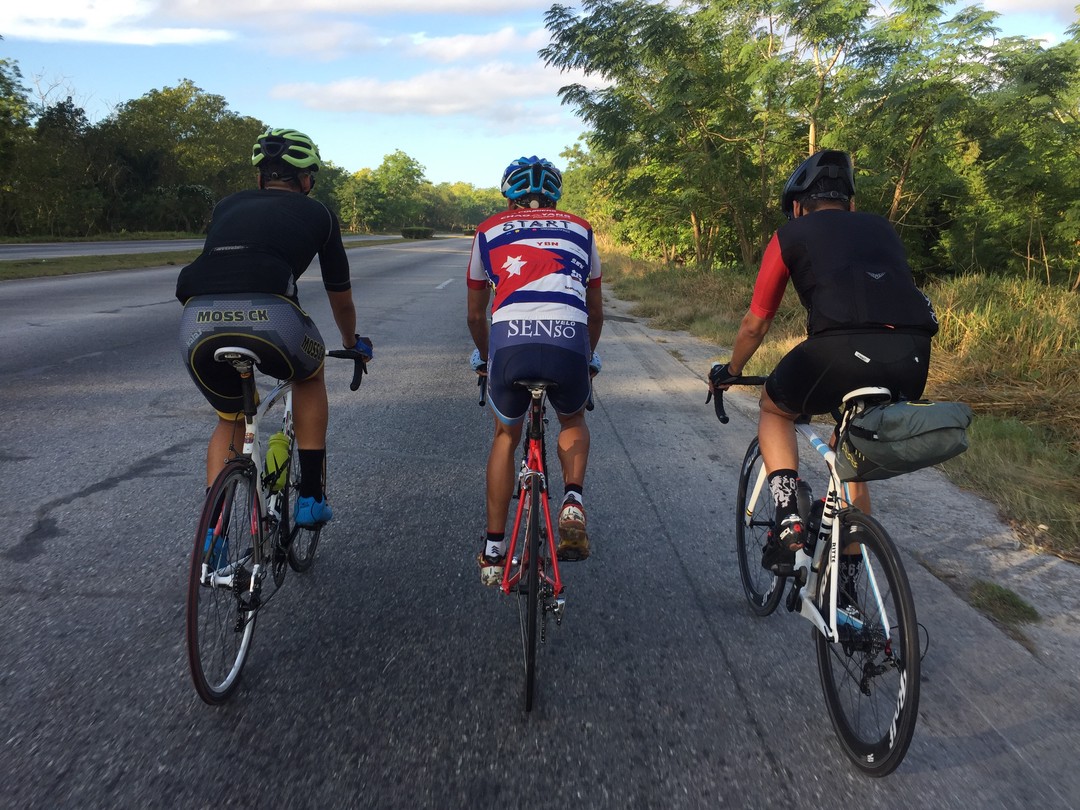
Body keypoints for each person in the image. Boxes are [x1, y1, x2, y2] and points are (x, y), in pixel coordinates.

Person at [708, 149, 938, 574]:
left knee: (775, 409)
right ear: (851, 203)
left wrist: (731, 371)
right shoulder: (884, 229)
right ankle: (848, 592)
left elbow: (756, 324)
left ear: (798, 207)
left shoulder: (791, 234)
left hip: (839, 352)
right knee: (849, 450)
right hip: (913, 357)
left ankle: (787, 521)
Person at [176, 127, 372, 527]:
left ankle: (213, 538)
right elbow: (341, 296)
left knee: (230, 420)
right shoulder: (319, 213)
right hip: (271, 316)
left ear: (260, 176)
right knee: (309, 375)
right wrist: (352, 342)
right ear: (305, 180)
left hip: (196, 319)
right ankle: (312, 498)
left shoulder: (227, 205)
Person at [467, 155, 604, 586]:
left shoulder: (488, 229)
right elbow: (596, 311)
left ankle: (493, 551)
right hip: (568, 343)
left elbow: (475, 316)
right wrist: (587, 355)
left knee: (506, 435)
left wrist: (487, 359)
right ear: (554, 195)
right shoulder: (581, 228)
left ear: (509, 196)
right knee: (573, 417)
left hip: (510, 347)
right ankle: (572, 501)